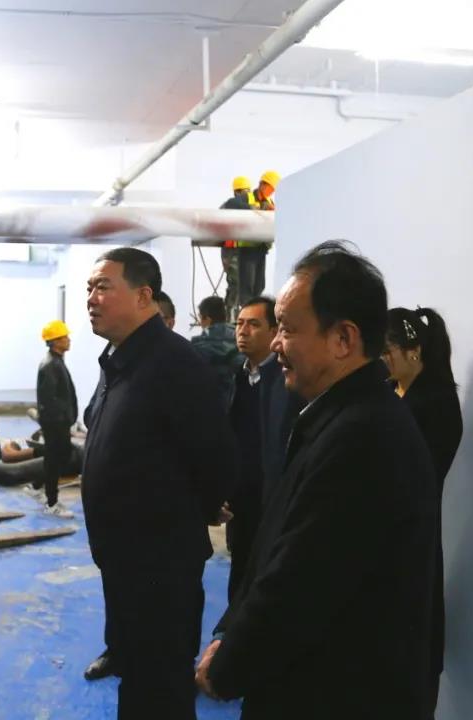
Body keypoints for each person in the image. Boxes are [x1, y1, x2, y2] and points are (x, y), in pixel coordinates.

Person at [196, 241, 438, 720]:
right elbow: (279, 548)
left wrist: (228, 666)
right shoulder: (336, 416)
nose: (276, 344)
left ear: (343, 339)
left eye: (287, 329)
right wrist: (231, 631)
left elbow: (300, 583)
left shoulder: (363, 437)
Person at [83, 247, 236, 719]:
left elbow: (213, 453)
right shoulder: (119, 359)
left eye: (103, 287)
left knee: (162, 684)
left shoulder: (174, 363)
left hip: (161, 565)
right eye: (89, 288)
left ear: (143, 295)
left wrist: (201, 507)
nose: (91, 298)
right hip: (125, 561)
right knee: (138, 677)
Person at [383, 306, 463, 715]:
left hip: (410, 537)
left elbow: (416, 480)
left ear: (413, 350)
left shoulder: (436, 404)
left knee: (409, 655)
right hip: (386, 535)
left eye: (387, 349)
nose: (380, 358)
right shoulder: (393, 394)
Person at [225, 296, 301, 602]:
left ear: (274, 332)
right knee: (239, 575)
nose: (243, 331)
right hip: (240, 502)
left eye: (253, 324)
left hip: (273, 501)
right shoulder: (238, 377)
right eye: (239, 324)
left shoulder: (288, 381)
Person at [35, 320, 78, 519]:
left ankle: (38, 487)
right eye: (64, 337)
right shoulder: (50, 365)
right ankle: (51, 503)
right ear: (54, 341)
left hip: (59, 423)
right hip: (55, 424)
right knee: (55, 460)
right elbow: (49, 400)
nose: (68, 340)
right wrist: (60, 424)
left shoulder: (56, 361)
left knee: (58, 458)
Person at [219, 175, 262, 317]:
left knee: (249, 285)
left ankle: (241, 314)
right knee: (237, 283)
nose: (246, 195)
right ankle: (232, 315)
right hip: (231, 253)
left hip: (242, 253)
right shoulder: (230, 205)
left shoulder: (247, 208)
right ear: (237, 192)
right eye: (244, 192)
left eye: (248, 192)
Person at [191, 295, 242, 405]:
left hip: (209, 404)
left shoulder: (197, 345)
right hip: (240, 402)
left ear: (207, 320)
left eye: (200, 318)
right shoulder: (241, 338)